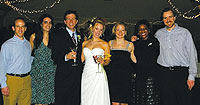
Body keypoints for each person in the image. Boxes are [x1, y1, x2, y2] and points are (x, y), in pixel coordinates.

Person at [155, 8, 198, 105]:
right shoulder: (158, 34)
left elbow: (192, 54)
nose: (168, 20)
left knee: (183, 101)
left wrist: (191, 76)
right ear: (162, 20)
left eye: (170, 17)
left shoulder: (185, 33)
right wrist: (136, 39)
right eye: (165, 18)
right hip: (164, 74)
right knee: (167, 101)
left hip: (180, 74)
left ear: (174, 18)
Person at [52, 10, 84, 105]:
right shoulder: (57, 35)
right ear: (65, 22)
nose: (71, 21)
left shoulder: (80, 36)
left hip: (77, 75)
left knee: (75, 101)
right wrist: (66, 57)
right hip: (63, 76)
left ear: (77, 21)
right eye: (68, 19)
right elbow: (54, 56)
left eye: (73, 19)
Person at [0, 18, 32, 105]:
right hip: (12, 81)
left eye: (22, 27)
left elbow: (28, 60)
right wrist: (3, 85)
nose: (20, 29)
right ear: (13, 28)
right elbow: (2, 66)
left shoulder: (28, 44)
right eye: (18, 26)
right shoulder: (7, 45)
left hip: (27, 80)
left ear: (25, 28)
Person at [81, 18, 111, 105]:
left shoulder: (105, 44)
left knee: (98, 98)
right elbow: (82, 59)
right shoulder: (84, 43)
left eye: (101, 30)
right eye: (96, 28)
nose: (98, 32)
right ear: (92, 28)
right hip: (86, 73)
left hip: (98, 74)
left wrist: (103, 61)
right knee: (87, 98)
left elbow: (107, 60)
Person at [106, 22, 136, 105]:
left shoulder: (130, 45)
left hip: (125, 78)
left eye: (122, 30)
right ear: (114, 31)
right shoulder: (109, 44)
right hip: (112, 77)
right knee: (114, 102)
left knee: (124, 102)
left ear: (125, 32)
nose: (120, 32)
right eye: (118, 30)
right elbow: (106, 59)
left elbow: (134, 60)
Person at [29, 14, 56, 105]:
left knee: (47, 101)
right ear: (41, 24)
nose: (48, 24)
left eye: (50, 23)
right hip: (37, 72)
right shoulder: (34, 37)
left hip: (50, 72)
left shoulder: (54, 37)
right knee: (37, 100)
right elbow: (28, 55)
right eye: (45, 22)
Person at [134, 19, 160, 105]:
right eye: (140, 29)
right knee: (140, 100)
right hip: (139, 76)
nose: (143, 31)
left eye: (144, 28)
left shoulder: (154, 41)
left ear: (149, 30)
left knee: (151, 100)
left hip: (151, 76)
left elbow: (153, 56)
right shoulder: (136, 44)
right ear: (138, 32)